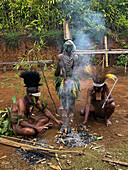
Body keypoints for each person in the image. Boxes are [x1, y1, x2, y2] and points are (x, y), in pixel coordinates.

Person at [11, 70, 62, 136]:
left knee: (46, 118)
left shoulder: (35, 101)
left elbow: (45, 110)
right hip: (17, 125)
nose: (37, 99)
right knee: (30, 131)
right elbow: (20, 122)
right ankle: (36, 129)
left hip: (28, 120)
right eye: (35, 97)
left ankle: (36, 129)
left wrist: (56, 121)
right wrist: (37, 127)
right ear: (29, 96)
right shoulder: (22, 103)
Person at [54, 40, 80, 118]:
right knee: (64, 94)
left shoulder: (75, 56)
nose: (69, 48)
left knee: (72, 94)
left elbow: (75, 68)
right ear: (65, 47)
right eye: (67, 47)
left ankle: (71, 110)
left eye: (70, 47)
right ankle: (65, 110)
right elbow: (63, 68)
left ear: (72, 48)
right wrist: (65, 79)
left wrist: (72, 79)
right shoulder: (60, 56)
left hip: (72, 76)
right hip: (64, 76)